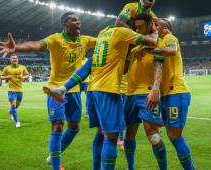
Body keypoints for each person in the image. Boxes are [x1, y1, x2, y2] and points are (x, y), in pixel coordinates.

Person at [43, 19, 158, 170]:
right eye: (136, 28)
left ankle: (63, 88)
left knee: (100, 134)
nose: (137, 30)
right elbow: (153, 42)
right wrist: (154, 30)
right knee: (111, 138)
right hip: (108, 90)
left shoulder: (103, 33)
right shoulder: (124, 32)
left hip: (92, 90)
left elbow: (94, 64)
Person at [0, 12, 96, 170]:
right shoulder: (56, 39)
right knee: (57, 126)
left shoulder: (85, 40)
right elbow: (36, 45)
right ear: (65, 24)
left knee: (74, 127)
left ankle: (55, 154)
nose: (79, 23)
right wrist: (17, 48)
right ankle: (56, 166)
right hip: (55, 89)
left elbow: (105, 43)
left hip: (73, 90)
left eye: (79, 20)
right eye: (74, 20)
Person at [143, 18, 195, 170]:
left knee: (175, 136)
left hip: (176, 92)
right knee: (168, 132)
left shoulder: (170, 38)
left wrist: (147, 50)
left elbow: (172, 51)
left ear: (164, 28)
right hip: (166, 94)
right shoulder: (159, 42)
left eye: (156, 24)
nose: (153, 26)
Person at [123, 13, 167, 170]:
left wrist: (155, 89)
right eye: (135, 27)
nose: (137, 29)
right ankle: (130, 167)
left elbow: (158, 66)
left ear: (150, 25)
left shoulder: (159, 43)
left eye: (140, 26)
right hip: (129, 94)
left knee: (153, 135)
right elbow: (124, 70)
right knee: (129, 134)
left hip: (146, 93)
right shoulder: (136, 44)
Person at [1, 54, 29, 128]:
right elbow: (1, 77)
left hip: (19, 90)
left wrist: (23, 77)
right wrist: (7, 77)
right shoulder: (7, 68)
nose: (15, 59)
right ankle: (17, 122)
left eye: (16, 58)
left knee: (17, 105)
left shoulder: (22, 67)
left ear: (18, 59)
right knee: (13, 104)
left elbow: (27, 75)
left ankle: (10, 112)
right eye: (13, 58)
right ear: (10, 60)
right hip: (11, 90)